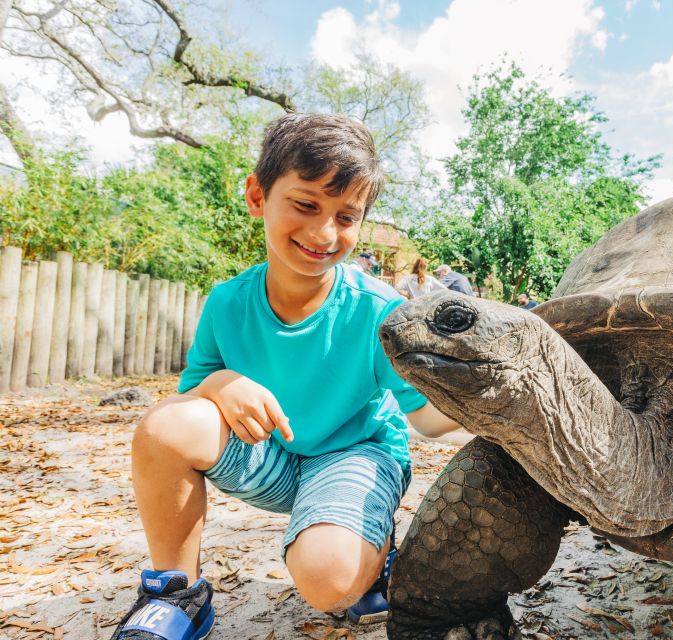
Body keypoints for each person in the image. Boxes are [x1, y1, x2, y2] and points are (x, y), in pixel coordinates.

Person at [111, 114, 460, 640]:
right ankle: (177, 592)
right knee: (164, 427)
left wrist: (507, 405)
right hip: (270, 456)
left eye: (347, 216)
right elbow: (191, 397)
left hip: (355, 455)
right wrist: (221, 383)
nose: (324, 233)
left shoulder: (379, 311)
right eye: (305, 204)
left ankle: (374, 548)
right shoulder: (227, 302)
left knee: (329, 583)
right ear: (257, 196)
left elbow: (431, 420)